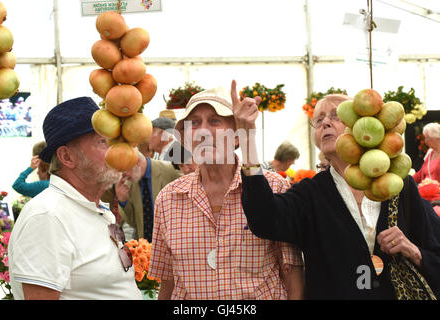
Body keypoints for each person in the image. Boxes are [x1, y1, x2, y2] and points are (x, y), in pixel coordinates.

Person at [233, 81, 440, 300]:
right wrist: (247, 138)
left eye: (336, 116)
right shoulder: (310, 193)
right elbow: (264, 218)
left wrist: (413, 251)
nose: (325, 123)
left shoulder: (397, 185)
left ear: (361, 124)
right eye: (319, 120)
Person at [148, 87, 304, 300]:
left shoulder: (274, 187)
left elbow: (292, 271)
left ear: (238, 137)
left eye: (215, 121)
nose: (203, 131)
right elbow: (168, 282)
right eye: (194, 123)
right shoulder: (169, 199)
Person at [8, 97, 142, 300]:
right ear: (67, 157)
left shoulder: (95, 209)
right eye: (103, 142)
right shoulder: (48, 216)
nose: (115, 151)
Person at [102, 150, 182, 242]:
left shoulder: (169, 170)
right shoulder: (128, 184)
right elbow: (135, 223)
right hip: (147, 248)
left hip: (173, 242)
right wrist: (123, 201)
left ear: (137, 163)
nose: (122, 176)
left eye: (124, 171)